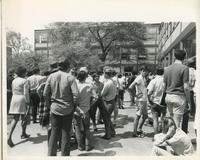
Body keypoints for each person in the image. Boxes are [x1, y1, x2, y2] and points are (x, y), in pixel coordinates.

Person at [43, 59, 79, 156]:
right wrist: (74, 106)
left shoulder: (51, 76)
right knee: (66, 133)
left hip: (54, 108)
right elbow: (76, 95)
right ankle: (65, 155)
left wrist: (48, 105)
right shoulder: (70, 78)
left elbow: (45, 93)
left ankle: (51, 155)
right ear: (68, 67)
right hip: (67, 108)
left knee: (54, 132)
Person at [163, 50, 191, 128]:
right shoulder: (185, 68)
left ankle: (168, 137)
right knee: (176, 122)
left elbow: (163, 86)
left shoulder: (167, 69)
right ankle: (174, 139)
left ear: (174, 57)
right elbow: (186, 87)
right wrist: (189, 101)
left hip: (168, 96)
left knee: (170, 119)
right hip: (179, 97)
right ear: (184, 57)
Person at [74, 68, 97, 151]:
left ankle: (80, 146)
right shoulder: (89, 85)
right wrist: (90, 105)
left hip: (76, 109)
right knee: (87, 128)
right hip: (86, 109)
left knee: (77, 128)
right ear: (86, 77)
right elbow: (95, 97)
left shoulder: (75, 85)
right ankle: (88, 146)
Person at [7, 66, 30, 147]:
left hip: (14, 98)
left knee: (15, 118)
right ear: (24, 73)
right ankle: (23, 133)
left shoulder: (14, 80)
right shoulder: (25, 80)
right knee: (25, 116)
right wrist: (28, 102)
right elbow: (26, 93)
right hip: (22, 98)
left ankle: (9, 136)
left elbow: (13, 90)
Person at [128, 66, 148, 137]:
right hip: (140, 100)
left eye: (146, 71)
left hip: (144, 99)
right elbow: (130, 87)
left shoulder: (143, 78)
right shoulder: (139, 78)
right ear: (140, 71)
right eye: (143, 71)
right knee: (138, 115)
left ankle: (139, 129)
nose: (145, 72)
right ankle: (134, 132)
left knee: (145, 116)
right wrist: (135, 96)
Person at [147, 67, 166, 136]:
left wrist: (149, 100)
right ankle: (164, 134)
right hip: (164, 102)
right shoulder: (165, 81)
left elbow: (149, 93)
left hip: (154, 102)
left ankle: (156, 135)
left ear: (156, 72)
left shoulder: (153, 81)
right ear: (163, 72)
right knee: (164, 119)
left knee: (155, 120)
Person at [100, 67, 117, 140]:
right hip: (112, 101)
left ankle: (108, 135)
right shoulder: (113, 81)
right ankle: (112, 132)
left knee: (106, 120)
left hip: (108, 102)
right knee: (108, 118)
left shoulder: (108, 83)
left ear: (106, 74)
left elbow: (102, 94)